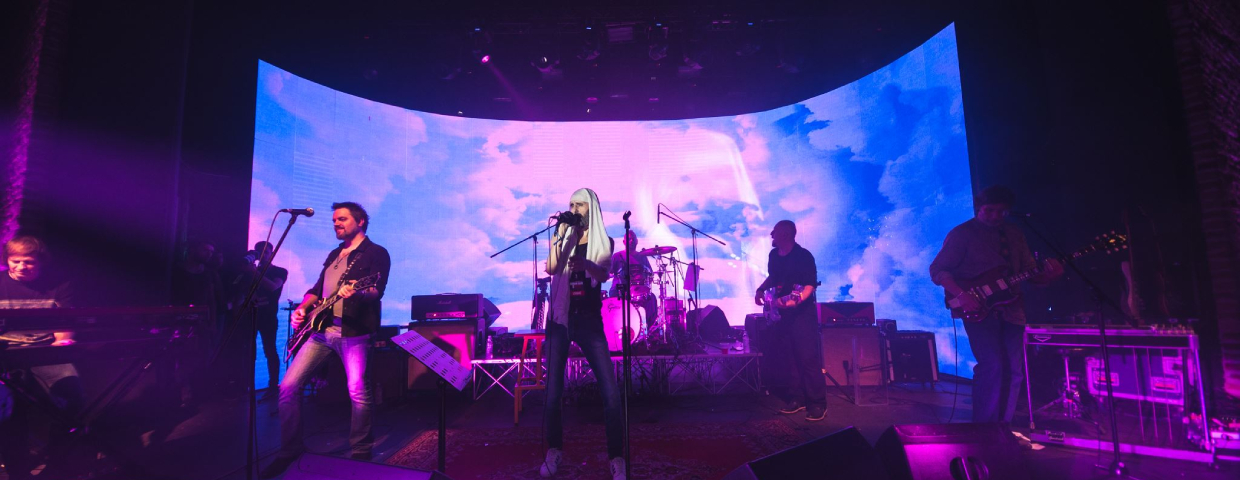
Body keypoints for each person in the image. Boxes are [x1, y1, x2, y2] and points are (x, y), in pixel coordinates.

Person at [261, 202, 390, 478]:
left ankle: (361, 450)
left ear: (360, 221)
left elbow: (375, 291)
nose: (336, 224)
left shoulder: (376, 253)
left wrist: (357, 293)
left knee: (358, 390)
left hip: (354, 333)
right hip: (321, 331)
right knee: (288, 387)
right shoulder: (334, 253)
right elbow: (317, 290)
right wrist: (303, 309)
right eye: (334, 220)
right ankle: (290, 449)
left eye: (342, 219)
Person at [929, 186, 1063, 424]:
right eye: (989, 210)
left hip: (1013, 308)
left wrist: (1049, 275)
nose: (994, 216)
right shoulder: (963, 234)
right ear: (978, 208)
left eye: (1001, 211)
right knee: (991, 365)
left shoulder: (1015, 234)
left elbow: (1029, 273)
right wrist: (962, 295)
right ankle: (984, 429)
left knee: (1014, 370)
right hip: (977, 308)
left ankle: (1002, 427)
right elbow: (938, 270)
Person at [539, 188, 625, 480]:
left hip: (589, 320)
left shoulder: (604, 241)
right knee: (553, 392)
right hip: (559, 320)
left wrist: (586, 263)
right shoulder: (563, 235)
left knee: (610, 391)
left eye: (580, 205)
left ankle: (617, 456)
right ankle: (554, 449)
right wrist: (562, 238)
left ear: (592, 209)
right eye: (571, 204)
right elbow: (552, 268)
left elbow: (603, 275)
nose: (574, 209)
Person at [0, 235, 83, 479]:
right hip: (4, 350)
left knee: (71, 396)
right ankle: (18, 470)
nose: (21, 266)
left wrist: (62, 342)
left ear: (40, 262)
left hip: (45, 349)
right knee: (7, 408)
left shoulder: (60, 284)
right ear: (7, 260)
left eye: (28, 262)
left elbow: (65, 323)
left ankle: (57, 463)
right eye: (15, 261)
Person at [754, 220, 826, 421]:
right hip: (782, 313)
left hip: (802, 313)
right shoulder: (774, 256)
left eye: (775, 232)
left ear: (785, 234)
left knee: (808, 357)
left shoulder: (803, 256)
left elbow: (810, 285)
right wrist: (760, 289)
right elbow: (773, 277)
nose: (771, 235)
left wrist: (797, 301)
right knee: (791, 357)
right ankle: (797, 398)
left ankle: (818, 403)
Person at [240, 241, 287, 395]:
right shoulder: (249, 270)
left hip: (268, 317)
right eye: (260, 252)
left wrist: (254, 272)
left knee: (270, 350)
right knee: (248, 351)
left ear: (272, 253)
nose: (263, 254)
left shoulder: (280, 271)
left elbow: (273, 286)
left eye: (266, 252)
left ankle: (273, 386)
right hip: (250, 315)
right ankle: (247, 387)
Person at [608, 231, 656, 330]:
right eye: (628, 239)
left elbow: (650, 274)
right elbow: (608, 273)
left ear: (637, 241)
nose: (631, 241)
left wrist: (644, 283)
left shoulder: (642, 256)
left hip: (638, 291)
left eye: (633, 239)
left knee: (652, 299)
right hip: (619, 290)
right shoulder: (617, 256)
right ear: (624, 242)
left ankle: (649, 331)